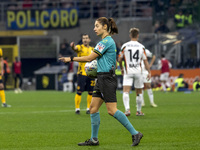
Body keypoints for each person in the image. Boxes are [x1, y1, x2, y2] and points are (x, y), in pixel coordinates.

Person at [59, 17, 143, 146]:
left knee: (112, 110)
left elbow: (89, 58)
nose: (94, 28)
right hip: (102, 77)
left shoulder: (105, 42)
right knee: (93, 108)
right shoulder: (106, 41)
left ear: (105, 27)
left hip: (106, 79)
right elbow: (111, 61)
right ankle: (94, 139)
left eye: (97, 26)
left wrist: (70, 59)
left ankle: (135, 133)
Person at [118, 28, 151, 116]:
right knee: (139, 92)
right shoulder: (141, 46)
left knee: (125, 91)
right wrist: (149, 72)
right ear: (137, 35)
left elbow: (119, 59)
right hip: (138, 72)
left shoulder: (125, 46)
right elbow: (145, 61)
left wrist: (121, 68)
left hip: (128, 72)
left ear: (130, 35)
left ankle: (127, 110)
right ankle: (139, 111)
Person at [70, 34, 95, 114]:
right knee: (79, 91)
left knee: (90, 92)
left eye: (86, 38)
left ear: (89, 40)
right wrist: (72, 46)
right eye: (83, 38)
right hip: (81, 73)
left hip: (91, 73)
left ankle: (88, 108)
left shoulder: (93, 49)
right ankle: (77, 109)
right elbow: (75, 48)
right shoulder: (80, 47)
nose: (85, 40)